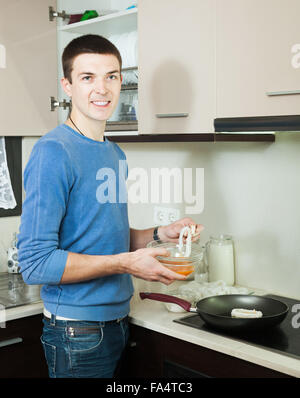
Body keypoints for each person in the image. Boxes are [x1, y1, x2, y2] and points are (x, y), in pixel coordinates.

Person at [17, 34, 203, 378]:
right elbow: (35, 263)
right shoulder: (54, 152)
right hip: (77, 332)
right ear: (67, 85)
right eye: (88, 77)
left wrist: (162, 234)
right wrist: (127, 265)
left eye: (112, 76)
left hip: (117, 322)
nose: (102, 89)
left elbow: (106, 237)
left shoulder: (113, 153)